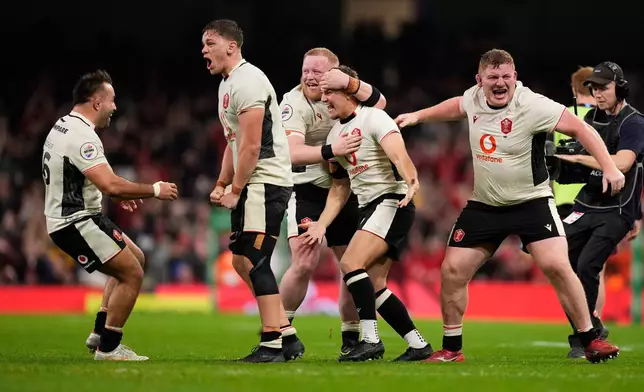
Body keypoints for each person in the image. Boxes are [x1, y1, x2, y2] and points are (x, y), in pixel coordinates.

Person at [395, 49, 622, 363]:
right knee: (452, 270)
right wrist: (418, 116)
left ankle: (590, 340)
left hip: (532, 202)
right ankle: (451, 349)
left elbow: (582, 128)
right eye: (493, 78)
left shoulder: (533, 105)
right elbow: (455, 106)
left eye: (506, 77)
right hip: (485, 204)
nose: (500, 83)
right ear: (480, 81)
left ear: (515, 78)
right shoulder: (473, 98)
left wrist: (609, 167)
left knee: (558, 265)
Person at [300, 65, 433, 362]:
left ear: (350, 93)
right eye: (322, 94)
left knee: (349, 262)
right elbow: (338, 189)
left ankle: (370, 340)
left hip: (392, 201)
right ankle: (418, 345)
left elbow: (400, 155)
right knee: (373, 284)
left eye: (330, 92)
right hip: (369, 207)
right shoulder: (335, 136)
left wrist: (412, 181)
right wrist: (321, 224)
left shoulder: (375, 117)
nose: (325, 99)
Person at [43, 70, 179, 361]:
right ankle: (109, 347)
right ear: (96, 103)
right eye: (112, 100)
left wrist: (118, 193)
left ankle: (98, 332)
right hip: (75, 222)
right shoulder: (83, 137)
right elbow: (109, 182)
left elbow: (82, 175)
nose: (115, 107)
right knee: (132, 273)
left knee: (136, 257)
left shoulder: (63, 125)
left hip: (82, 215)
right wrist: (153, 189)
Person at [278, 47, 388, 359]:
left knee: (351, 265)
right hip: (307, 191)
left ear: (334, 75)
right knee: (304, 261)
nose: (309, 77)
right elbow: (292, 152)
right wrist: (331, 149)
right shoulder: (293, 102)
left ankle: (351, 337)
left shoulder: (343, 91)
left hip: (347, 188)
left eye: (317, 71)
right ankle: (280, 331)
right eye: (306, 70)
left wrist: (352, 85)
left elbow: (380, 105)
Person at [202, 19, 294, 363]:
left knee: (255, 260)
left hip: (265, 180)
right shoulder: (228, 85)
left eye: (210, 43)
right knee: (241, 261)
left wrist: (236, 189)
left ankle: (272, 344)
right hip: (252, 182)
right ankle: (286, 333)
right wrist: (221, 183)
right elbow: (233, 142)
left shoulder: (249, 81)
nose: (204, 51)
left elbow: (252, 147)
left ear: (232, 46)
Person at [554, 61, 644, 359]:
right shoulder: (590, 118)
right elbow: (577, 165)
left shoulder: (635, 122)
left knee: (587, 266)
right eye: (594, 88)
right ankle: (592, 328)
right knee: (557, 258)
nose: (598, 93)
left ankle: (584, 339)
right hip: (586, 204)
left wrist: (579, 159)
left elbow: (622, 164)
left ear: (620, 88)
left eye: (604, 87)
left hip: (617, 209)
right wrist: (559, 161)